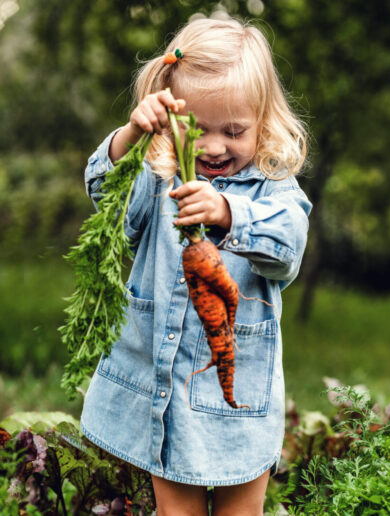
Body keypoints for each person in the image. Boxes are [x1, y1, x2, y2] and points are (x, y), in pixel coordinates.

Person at [79, 16, 311, 515]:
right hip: (166, 389)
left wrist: (229, 213)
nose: (213, 146)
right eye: (197, 129)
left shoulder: (274, 187)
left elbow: (288, 248)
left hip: (237, 397)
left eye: (234, 130)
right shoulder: (159, 175)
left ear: (264, 120)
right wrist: (131, 135)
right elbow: (108, 203)